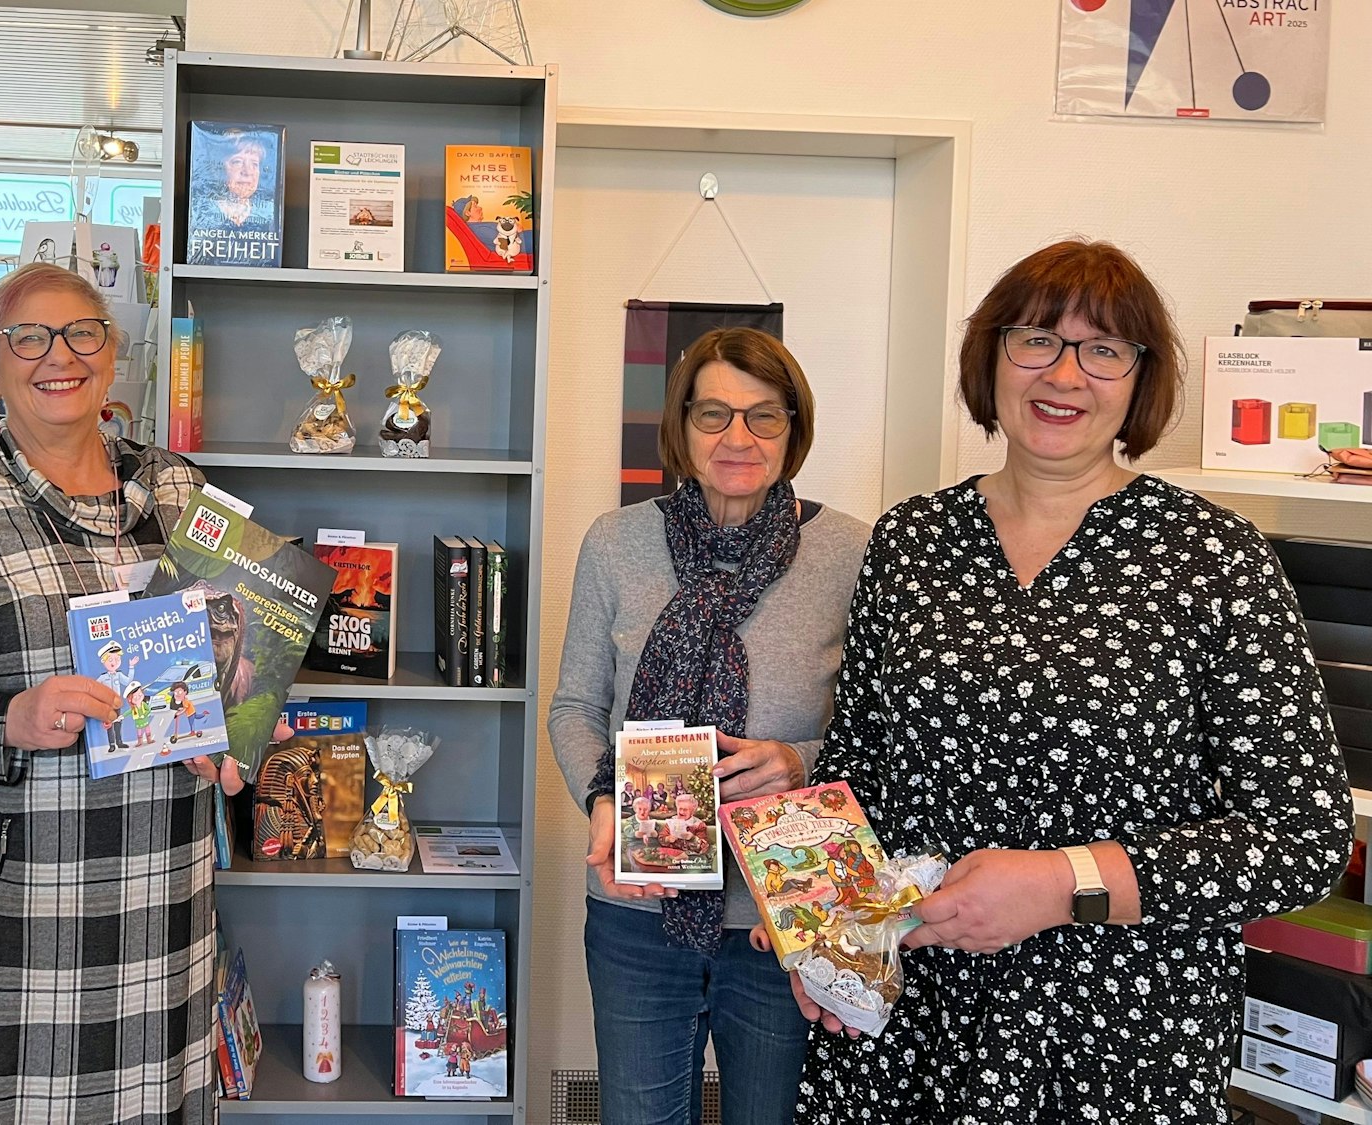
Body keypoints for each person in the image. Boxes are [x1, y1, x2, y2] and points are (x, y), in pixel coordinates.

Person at [793, 239, 1353, 1123]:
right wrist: (822, 939)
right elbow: (856, 773)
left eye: (1104, 349)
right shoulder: (910, 543)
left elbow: (1302, 836)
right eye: (1036, 340)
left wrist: (1061, 882)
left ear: (1140, 379)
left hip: (1120, 1027)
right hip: (909, 1013)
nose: (1065, 373)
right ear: (993, 356)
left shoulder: (1213, 558)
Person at [0, 262, 241, 1124]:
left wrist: (233, 727)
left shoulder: (179, 488)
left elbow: (238, 659)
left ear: (113, 355)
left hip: (165, 897)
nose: (60, 355)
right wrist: (4, 717)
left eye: (83, 332)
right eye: (28, 337)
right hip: (18, 909)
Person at [549, 327, 872, 1125]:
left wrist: (799, 759)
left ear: (794, 429)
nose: (738, 437)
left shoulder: (851, 552)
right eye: (715, 413)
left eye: (764, 416)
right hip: (639, 907)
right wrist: (601, 800)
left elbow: (883, 728)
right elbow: (575, 708)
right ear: (681, 427)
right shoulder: (615, 543)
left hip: (785, 912)